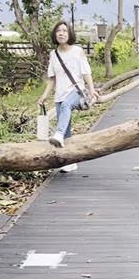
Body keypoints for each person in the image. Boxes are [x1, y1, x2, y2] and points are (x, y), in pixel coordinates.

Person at [38, 21, 98, 173]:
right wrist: (44, 95)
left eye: (64, 30)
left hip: (76, 92)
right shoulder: (53, 54)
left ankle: (57, 134)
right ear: (55, 34)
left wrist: (92, 90)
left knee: (65, 108)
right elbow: (52, 78)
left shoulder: (77, 51)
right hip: (60, 94)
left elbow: (86, 72)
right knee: (66, 130)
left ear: (70, 33)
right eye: (58, 30)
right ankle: (70, 162)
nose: (61, 33)